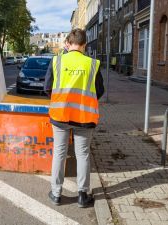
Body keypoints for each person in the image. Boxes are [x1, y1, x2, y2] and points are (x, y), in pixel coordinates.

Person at [44, 28, 104, 208]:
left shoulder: (57, 61)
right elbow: (99, 90)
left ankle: (56, 194)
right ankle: (82, 196)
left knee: (59, 154)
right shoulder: (92, 64)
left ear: (68, 44)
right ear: (84, 45)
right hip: (84, 117)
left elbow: (47, 87)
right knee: (83, 155)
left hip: (61, 116)